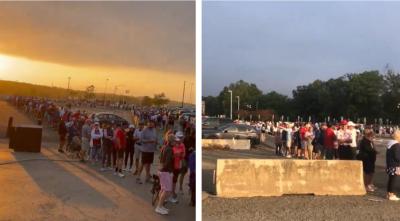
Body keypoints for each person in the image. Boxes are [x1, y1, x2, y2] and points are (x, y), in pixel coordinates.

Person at [155, 134, 175, 215]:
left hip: (162, 171)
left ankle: (160, 205)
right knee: (166, 190)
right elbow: (167, 162)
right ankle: (159, 207)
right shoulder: (170, 149)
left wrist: (160, 168)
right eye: (174, 141)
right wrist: (169, 171)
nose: (175, 142)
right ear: (171, 141)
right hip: (166, 171)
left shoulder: (164, 147)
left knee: (163, 189)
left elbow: (160, 158)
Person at [386, 130, 400, 201]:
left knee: (391, 179)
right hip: (395, 165)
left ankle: (389, 193)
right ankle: (391, 194)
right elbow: (397, 156)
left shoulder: (390, 143)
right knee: (393, 180)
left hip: (390, 164)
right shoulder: (396, 145)